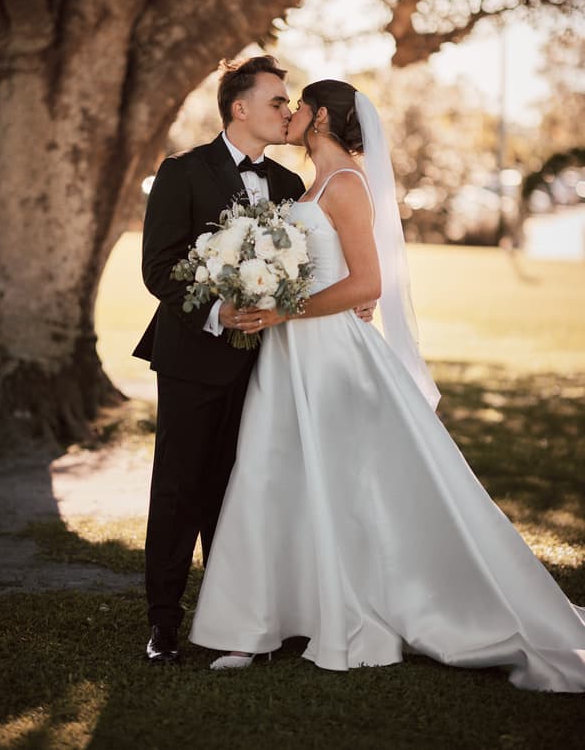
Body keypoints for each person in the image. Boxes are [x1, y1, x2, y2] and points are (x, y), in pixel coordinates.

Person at [189, 80, 585, 692]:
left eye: (298, 107)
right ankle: (254, 626)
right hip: (287, 353)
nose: (289, 114)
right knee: (271, 473)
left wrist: (282, 311)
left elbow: (366, 286)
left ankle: (347, 613)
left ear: (322, 116)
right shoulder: (308, 185)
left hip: (327, 355)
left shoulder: (345, 185)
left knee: (341, 486)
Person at [133, 55, 306, 663]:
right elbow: (158, 268)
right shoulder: (182, 171)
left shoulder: (288, 187)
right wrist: (216, 313)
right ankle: (163, 623)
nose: (288, 111)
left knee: (245, 490)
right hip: (192, 360)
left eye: (288, 103)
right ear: (240, 108)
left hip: (267, 364)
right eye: (278, 101)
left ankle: (238, 620)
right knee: (180, 489)